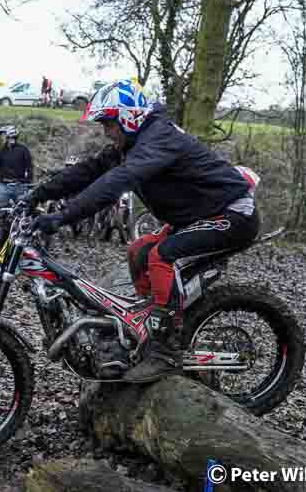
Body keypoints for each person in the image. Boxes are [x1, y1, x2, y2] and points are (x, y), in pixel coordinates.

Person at [26, 79, 260, 383]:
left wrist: (63, 216)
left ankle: (164, 350)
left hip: (232, 213)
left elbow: (117, 181)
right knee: (138, 251)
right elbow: (89, 170)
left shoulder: (158, 139)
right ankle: (150, 325)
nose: (106, 132)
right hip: (199, 215)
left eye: (109, 124)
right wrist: (38, 194)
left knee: (162, 257)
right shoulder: (135, 142)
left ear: (128, 117)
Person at [0, 125, 33, 230]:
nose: (2, 137)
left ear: (10, 135)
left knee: (20, 213)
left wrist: (28, 183)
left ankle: (19, 234)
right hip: (4, 186)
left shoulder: (23, 150)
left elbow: (29, 168)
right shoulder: (2, 151)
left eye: (3, 135)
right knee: (2, 213)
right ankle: (0, 234)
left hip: (20, 186)